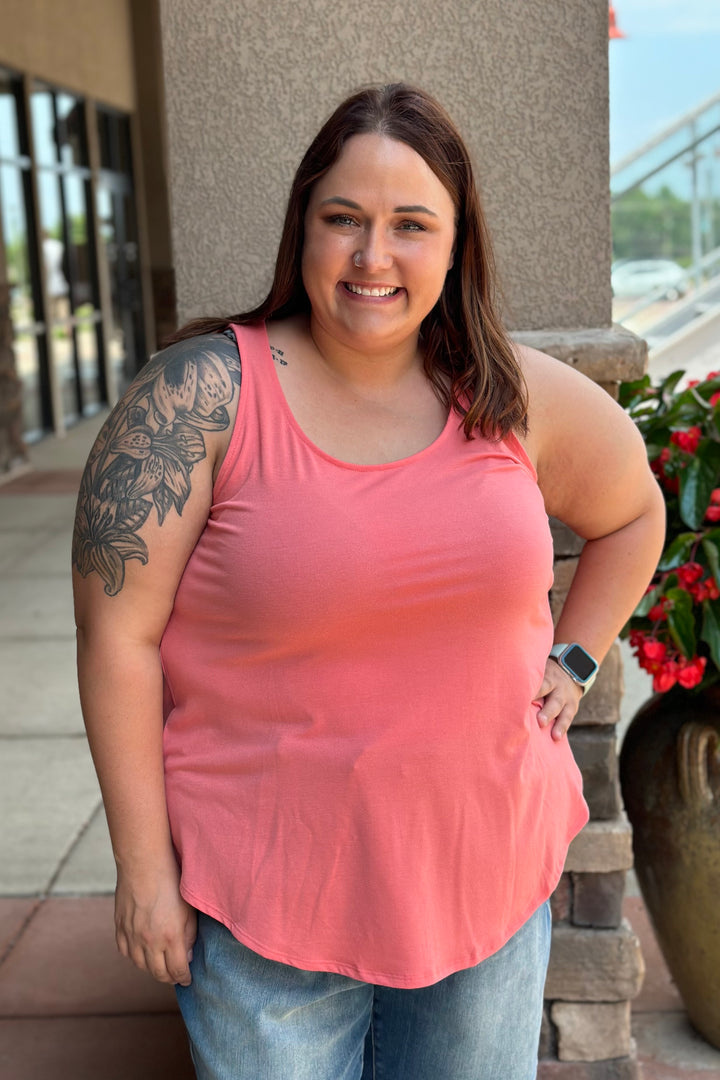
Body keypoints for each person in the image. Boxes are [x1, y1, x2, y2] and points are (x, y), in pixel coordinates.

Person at [72, 83, 665, 1080]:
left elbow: (634, 511)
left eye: (410, 225)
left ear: (456, 243)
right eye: (343, 218)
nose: (372, 257)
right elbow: (115, 640)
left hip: (486, 882)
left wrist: (575, 653)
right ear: (302, 225)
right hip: (266, 909)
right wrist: (143, 870)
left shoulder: (512, 397)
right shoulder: (199, 400)